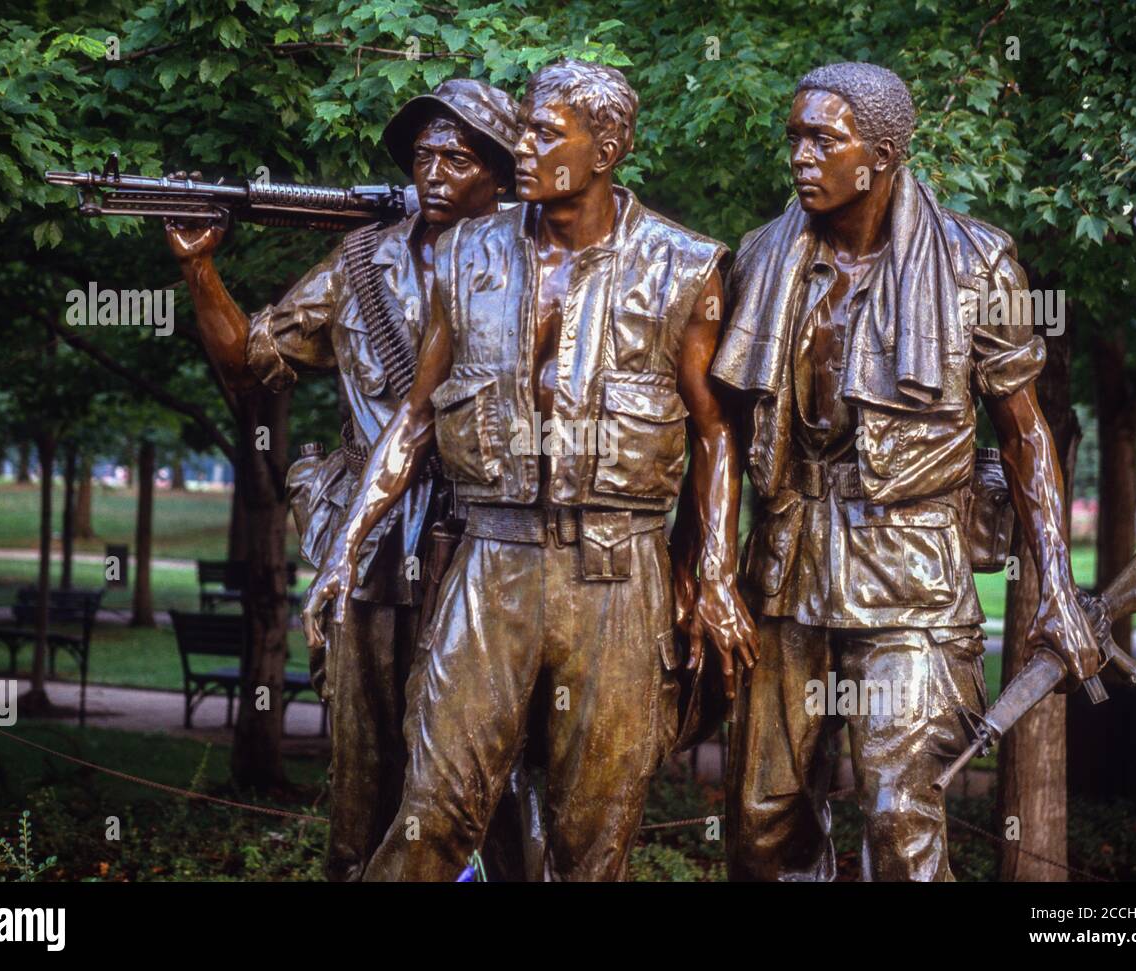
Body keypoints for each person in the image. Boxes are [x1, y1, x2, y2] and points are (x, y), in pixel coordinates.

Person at [306, 58, 758, 881]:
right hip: (492, 560)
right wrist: (347, 542)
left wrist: (715, 573)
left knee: (593, 840)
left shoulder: (682, 266)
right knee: (431, 813)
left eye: (545, 132)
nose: (521, 145)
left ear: (607, 147)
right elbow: (413, 418)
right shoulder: (467, 254)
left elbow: (714, 435)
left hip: (617, 575)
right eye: (522, 127)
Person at [712, 62, 1100, 881]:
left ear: (881, 154)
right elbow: (716, 430)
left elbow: (1027, 436)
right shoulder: (760, 259)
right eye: (795, 138)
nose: (801, 157)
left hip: (913, 576)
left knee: (900, 823)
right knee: (762, 824)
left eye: (824, 139)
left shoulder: (977, 263)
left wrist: (1057, 586)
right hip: (787, 570)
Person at [165, 78, 540, 881]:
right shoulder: (363, 259)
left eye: (457, 156)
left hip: (493, 545)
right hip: (373, 552)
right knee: (364, 765)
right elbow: (251, 364)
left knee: (496, 767)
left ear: (503, 173)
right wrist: (202, 273)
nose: (433, 171)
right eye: (421, 156)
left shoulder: (539, 263)